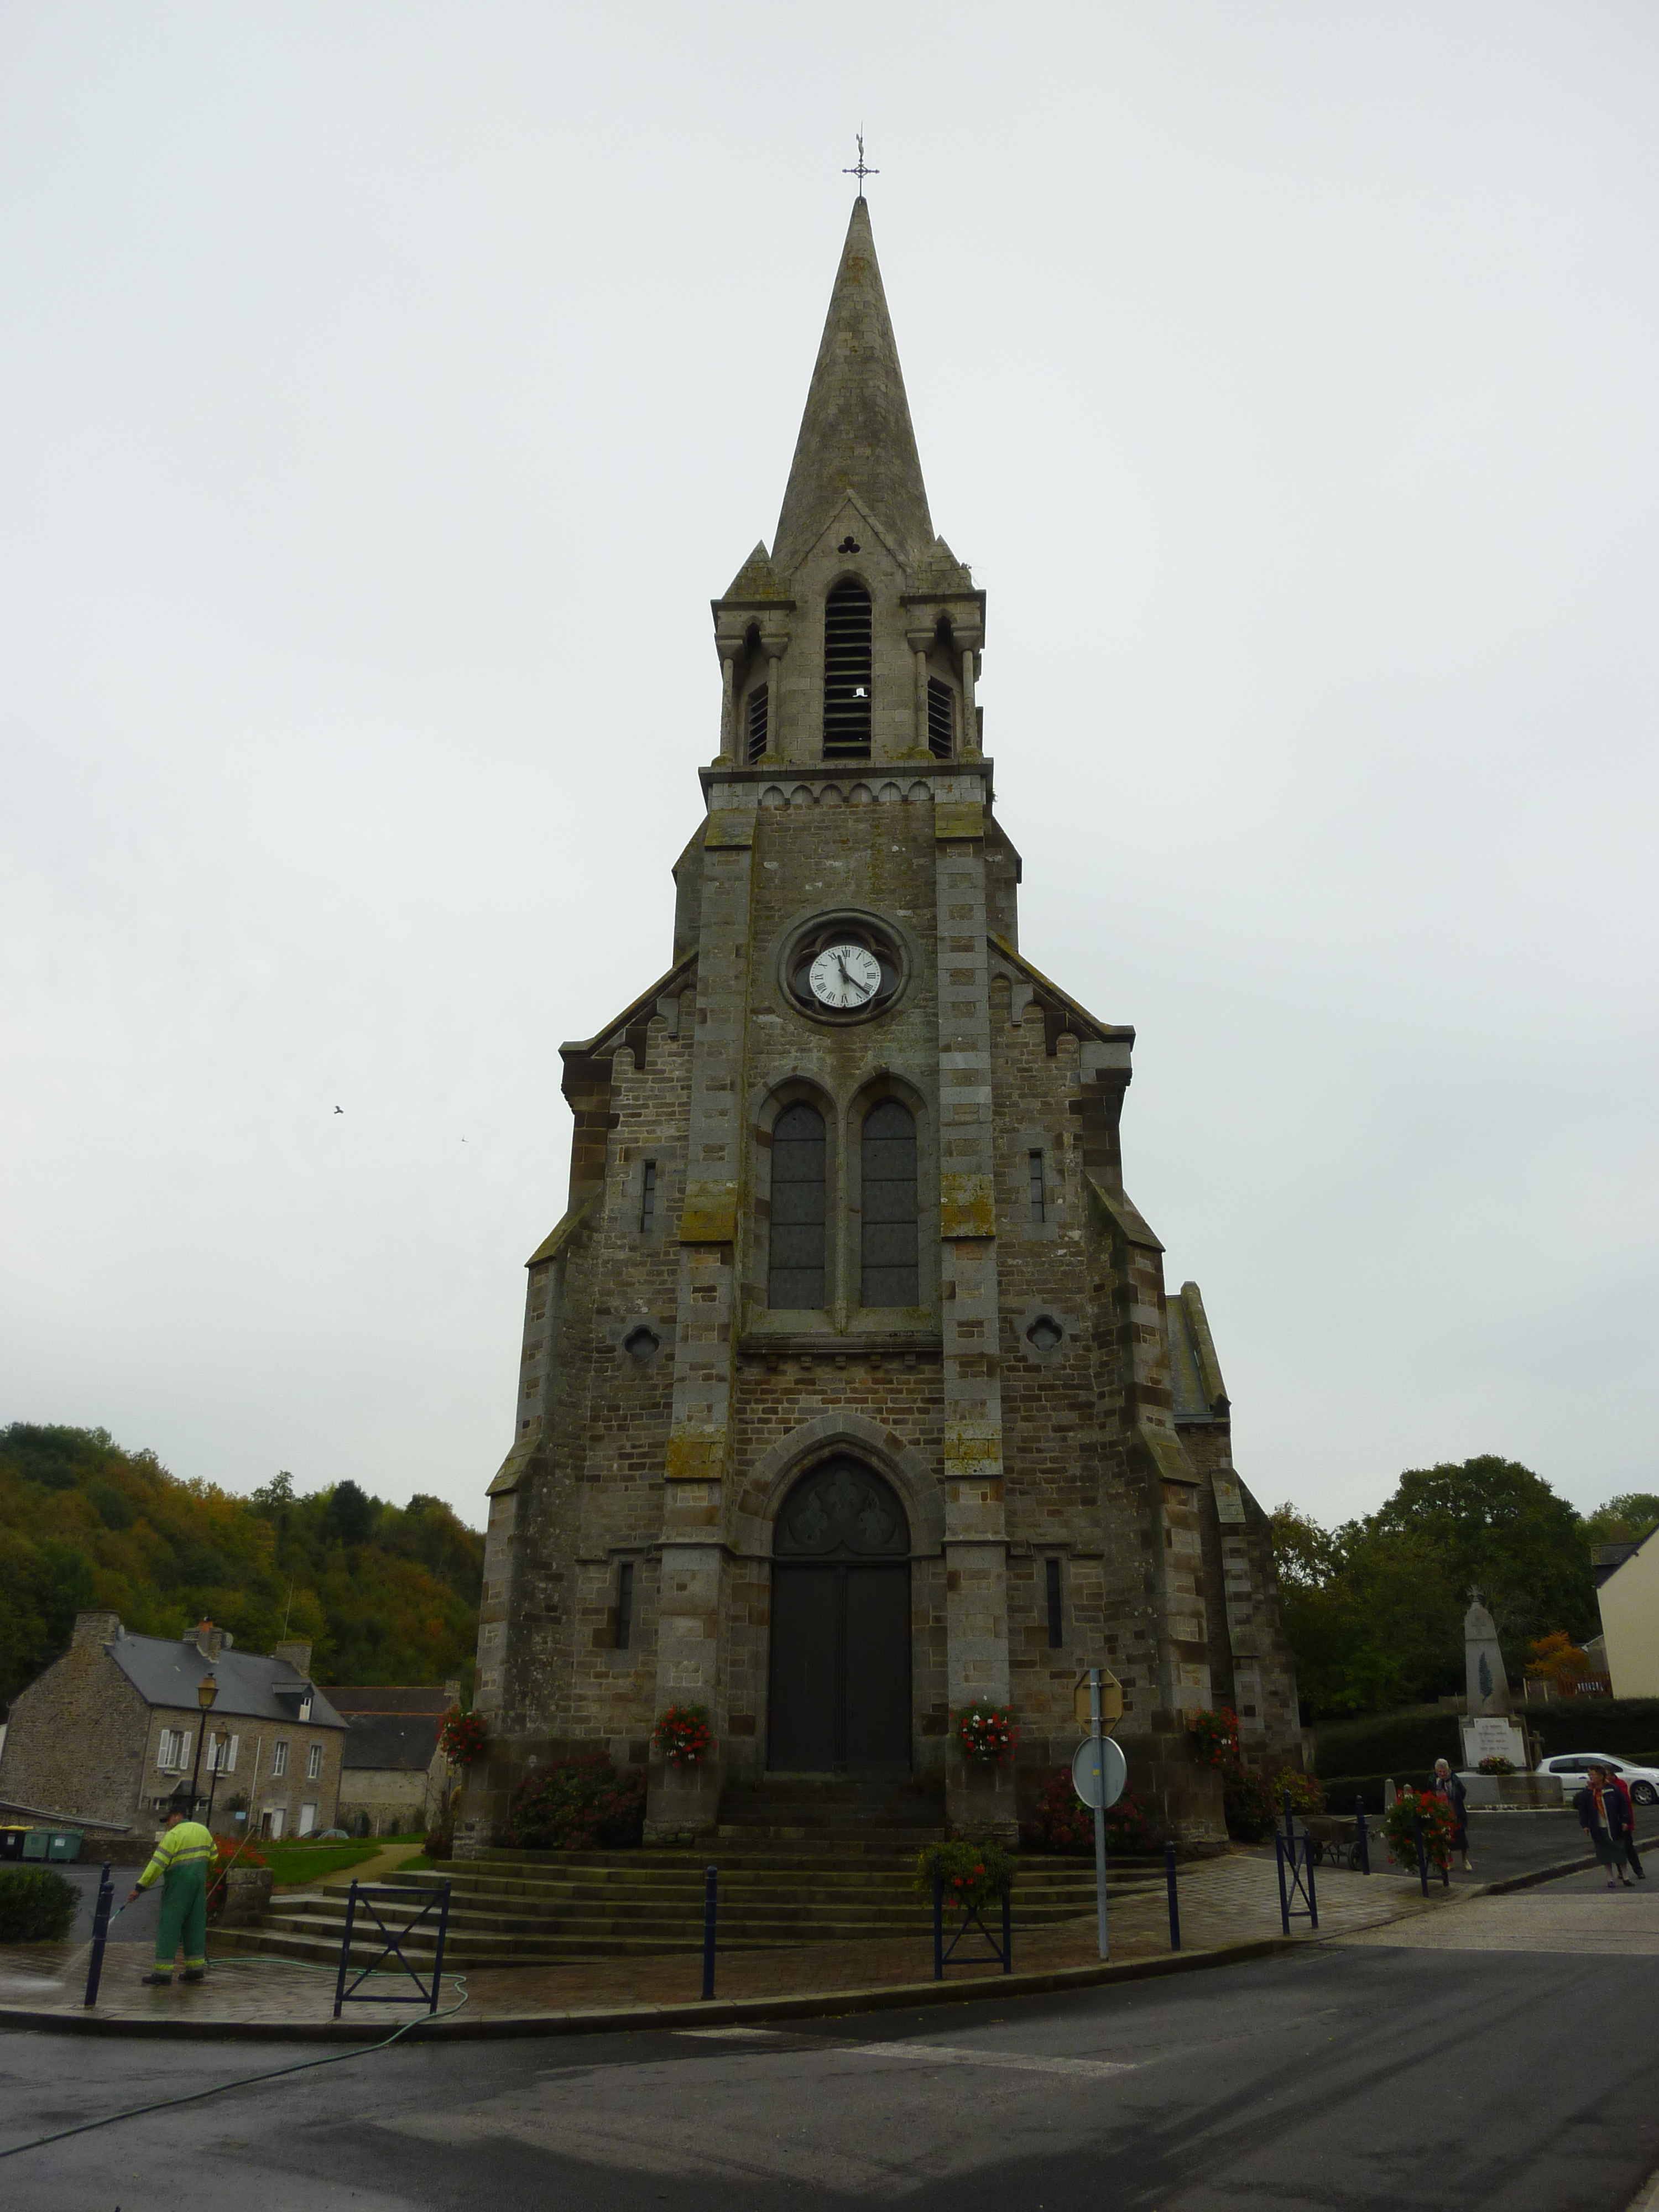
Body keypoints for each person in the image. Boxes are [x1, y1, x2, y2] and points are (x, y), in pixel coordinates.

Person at [128, 1804, 219, 1985]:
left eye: (168, 1820)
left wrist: (140, 1887)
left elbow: (157, 1864)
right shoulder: (203, 1831)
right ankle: (195, 1969)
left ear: (177, 1816)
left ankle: (163, 1973)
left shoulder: (174, 1836)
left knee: (169, 1927)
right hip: (198, 1887)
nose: (167, 1825)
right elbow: (214, 1857)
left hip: (177, 1888)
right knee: (195, 1926)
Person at [1574, 1762, 1635, 1890]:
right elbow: (1583, 1809)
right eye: (1589, 1775)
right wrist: (1585, 1825)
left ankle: (1625, 1877)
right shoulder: (1588, 1793)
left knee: (1619, 1850)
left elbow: (1623, 1805)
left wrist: (1625, 1821)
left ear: (1601, 1776)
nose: (1591, 1777)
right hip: (1598, 1826)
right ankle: (1610, 1878)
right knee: (1604, 1853)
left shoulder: (1612, 1789)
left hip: (1613, 1825)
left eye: (1593, 1775)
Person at [1432, 1758, 1474, 1872]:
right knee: (1446, 1838)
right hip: (1442, 1812)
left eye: (1444, 1771)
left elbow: (1463, 1792)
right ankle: (1450, 1861)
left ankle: (1465, 1860)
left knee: (1461, 1838)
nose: (1442, 1774)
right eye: (1440, 1772)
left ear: (1448, 1770)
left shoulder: (1455, 1780)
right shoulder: (1435, 1781)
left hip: (1455, 1811)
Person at [1606, 1768, 1646, 1882]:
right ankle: (1621, 1872)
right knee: (1617, 1848)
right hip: (1612, 1822)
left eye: (1608, 1775)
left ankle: (1639, 1870)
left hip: (1623, 1820)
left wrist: (1627, 1821)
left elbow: (1624, 1802)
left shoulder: (1620, 1785)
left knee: (1629, 1847)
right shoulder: (1603, 1787)